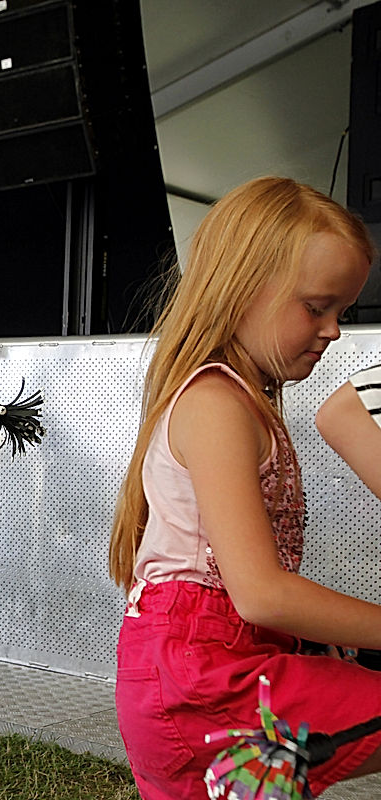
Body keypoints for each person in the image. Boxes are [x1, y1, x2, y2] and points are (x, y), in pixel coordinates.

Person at [108, 176, 381, 798]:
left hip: (201, 669)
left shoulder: (242, 404)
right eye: (316, 307)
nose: (333, 330)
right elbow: (260, 592)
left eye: (343, 311)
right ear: (242, 289)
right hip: (203, 675)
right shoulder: (215, 404)